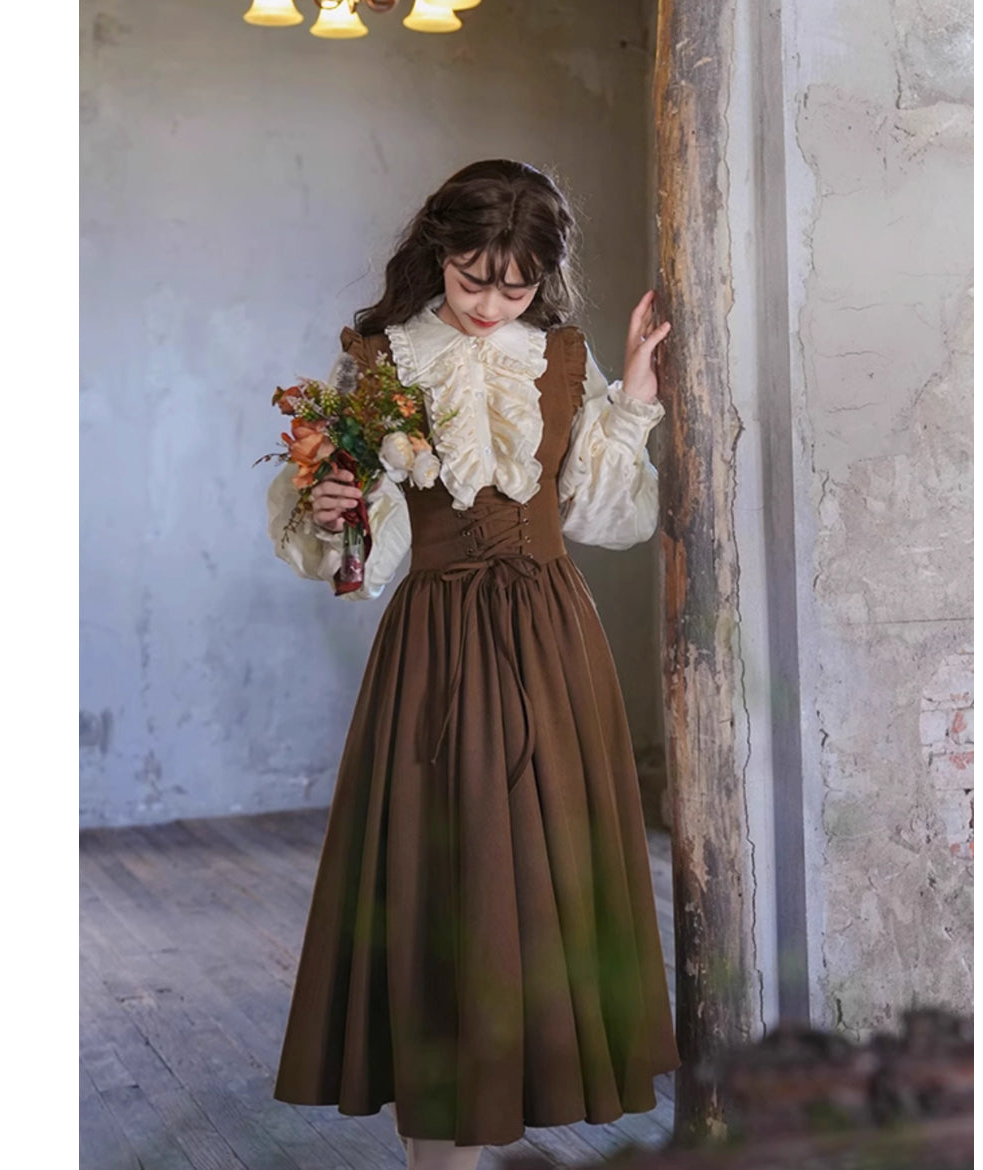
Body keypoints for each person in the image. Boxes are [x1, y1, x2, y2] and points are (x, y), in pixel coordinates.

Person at [268, 159, 679, 1169]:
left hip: (551, 643)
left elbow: (602, 514)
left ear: (543, 280)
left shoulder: (562, 358)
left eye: (517, 287)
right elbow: (360, 550)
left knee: (544, 884)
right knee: (441, 882)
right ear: (437, 254)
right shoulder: (383, 360)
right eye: (471, 280)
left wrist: (632, 397)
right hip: (437, 649)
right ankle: (440, 1147)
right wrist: (337, 507)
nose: (492, 305)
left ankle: (525, 1097)